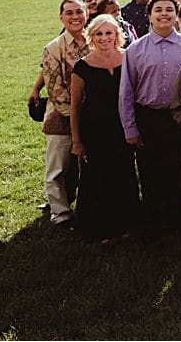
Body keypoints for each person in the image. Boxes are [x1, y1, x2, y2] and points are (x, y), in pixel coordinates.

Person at [118, 0, 181, 233]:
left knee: (179, 167)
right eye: (159, 10)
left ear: (176, 15)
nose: (164, 14)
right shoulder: (135, 49)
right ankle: (154, 221)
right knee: (150, 169)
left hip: (180, 116)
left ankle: (180, 221)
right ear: (150, 16)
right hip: (149, 118)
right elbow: (126, 92)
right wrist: (130, 128)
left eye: (169, 10)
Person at [70, 15, 140, 242]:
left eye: (109, 33)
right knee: (98, 178)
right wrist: (77, 141)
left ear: (117, 35)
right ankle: (100, 228)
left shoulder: (129, 58)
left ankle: (128, 224)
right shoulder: (82, 67)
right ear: (91, 37)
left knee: (125, 174)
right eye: (99, 33)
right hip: (96, 130)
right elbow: (75, 106)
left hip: (124, 127)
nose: (104, 38)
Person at [28, 0, 89, 229]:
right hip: (61, 116)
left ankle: (86, 205)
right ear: (61, 17)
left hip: (92, 116)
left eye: (79, 12)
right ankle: (60, 211)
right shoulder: (53, 48)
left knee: (86, 165)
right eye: (69, 13)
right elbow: (55, 89)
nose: (75, 17)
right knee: (58, 166)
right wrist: (76, 117)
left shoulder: (95, 41)